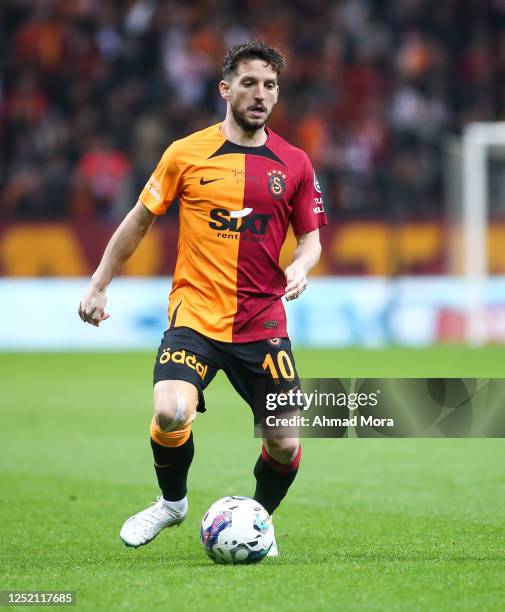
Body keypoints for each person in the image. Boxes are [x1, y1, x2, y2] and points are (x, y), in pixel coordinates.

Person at [78, 41, 327, 554]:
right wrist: (100, 282)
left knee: (283, 442)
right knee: (171, 412)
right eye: (250, 83)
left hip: (263, 324)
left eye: (271, 85)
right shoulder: (185, 153)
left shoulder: (296, 164)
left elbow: (311, 239)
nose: (261, 95)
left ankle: (258, 518)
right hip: (195, 316)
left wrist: (301, 265)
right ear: (226, 88)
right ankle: (171, 503)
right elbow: (141, 218)